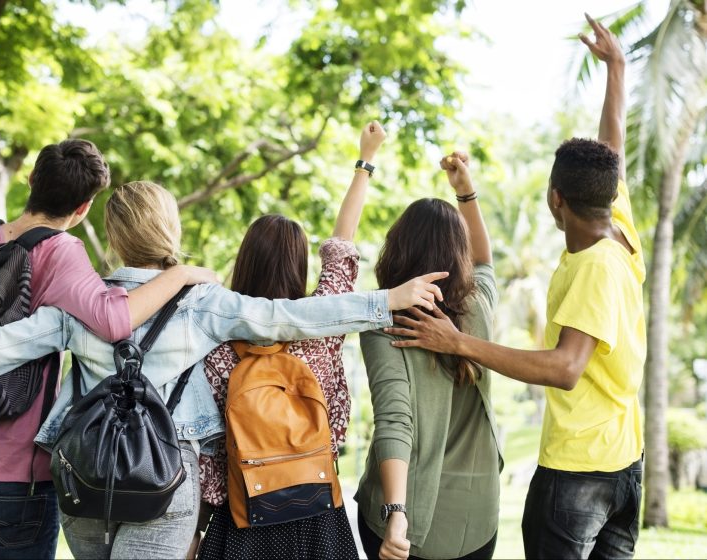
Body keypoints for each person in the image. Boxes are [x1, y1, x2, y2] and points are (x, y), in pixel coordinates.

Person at [0, 159, 447, 559]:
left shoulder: (76, 303)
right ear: (172, 230)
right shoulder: (203, 303)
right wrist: (384, 301)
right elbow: (289, 317)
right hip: (167, 483)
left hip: (85, 481)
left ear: (110, 237)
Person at [0, 86, 215, 559]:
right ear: (84, 207)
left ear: (30, 179)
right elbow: (114, 319)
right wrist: (183, 274)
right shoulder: (64, 255)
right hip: (18, 483)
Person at [384, 15, 645, 559]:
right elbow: (611, 146)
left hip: (580, 474)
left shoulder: (596, 266)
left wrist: (457, 342)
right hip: (626, 462)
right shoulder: (617, 225)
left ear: (556, 200)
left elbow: (565, 368)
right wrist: (617, 70)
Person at [197, 122, 388, 559]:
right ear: (298, 266)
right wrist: (366, 159)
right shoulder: (320, 328)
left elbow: (209, 451)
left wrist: (198, 528)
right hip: (317, 510)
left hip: (244, 514)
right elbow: (342, 247)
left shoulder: (217, 338)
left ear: (244, 262)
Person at [355, 151, 501, 560]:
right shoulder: (478, 306)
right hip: (476, 521)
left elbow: (394, 420)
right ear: (459, 252)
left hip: (406, 521)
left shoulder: (386, 321)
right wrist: (466, 193)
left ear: (397, 247)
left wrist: (396, 513)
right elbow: (485, 261)